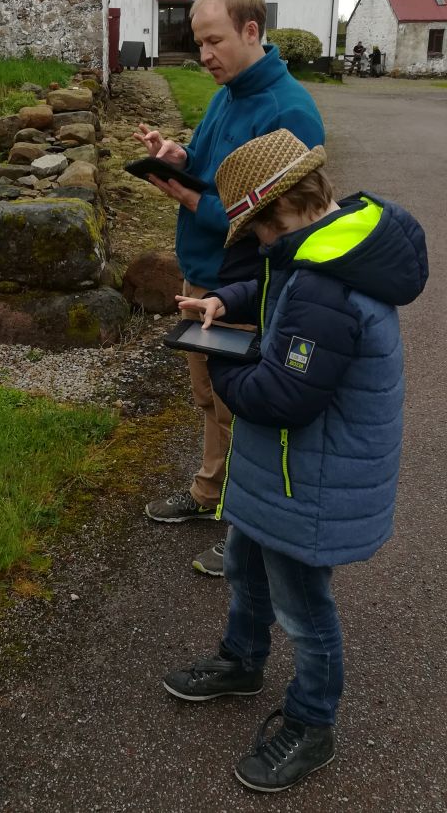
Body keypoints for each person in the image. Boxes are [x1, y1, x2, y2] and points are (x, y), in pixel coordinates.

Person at [163, 129, 428, 792]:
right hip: (280, 473)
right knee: (247, 567)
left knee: (304, 608)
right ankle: (242, 659)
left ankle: (313, 721)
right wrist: (229, 303)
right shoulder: (325, 251)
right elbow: (278, 286)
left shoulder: (326, 289)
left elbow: (280, 397)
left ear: (278, 216)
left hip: (306, 482)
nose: (258, 250)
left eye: (256, 236)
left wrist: (216, 353)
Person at [133, 0, 324, 577]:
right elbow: (212, 163)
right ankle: (207, 493)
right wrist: (178, 157)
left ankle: (246, 528)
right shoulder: (227, 92)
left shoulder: (288, 110)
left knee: (241, 409)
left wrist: (190, 201)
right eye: (198, 43)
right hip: (201, 274)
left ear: (251, 30)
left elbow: (282, 218)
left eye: (214, 41)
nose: (205, 55)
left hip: (243, 282)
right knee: (206, 398)